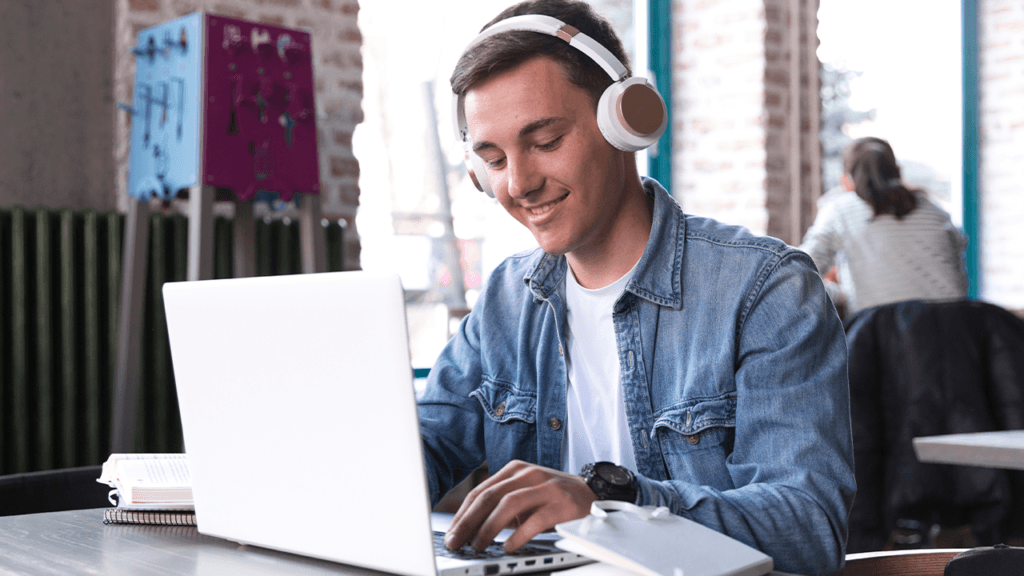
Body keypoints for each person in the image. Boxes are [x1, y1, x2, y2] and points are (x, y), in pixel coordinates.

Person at [418, 1, 855, 574]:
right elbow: (420, 451)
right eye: (493, 159)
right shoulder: (506, 299)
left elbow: (806, 529)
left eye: (545, 141)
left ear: (624, 121)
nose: (519, 183)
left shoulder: (765, 290)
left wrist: (610, 501)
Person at [800, 137, 969, 315]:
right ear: (898, 172)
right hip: (954, 329)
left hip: (882, 332)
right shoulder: (935, 211)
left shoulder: (840, 210)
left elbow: (798, 277)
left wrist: (843, 296)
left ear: (845, 180)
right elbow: (958, 274)